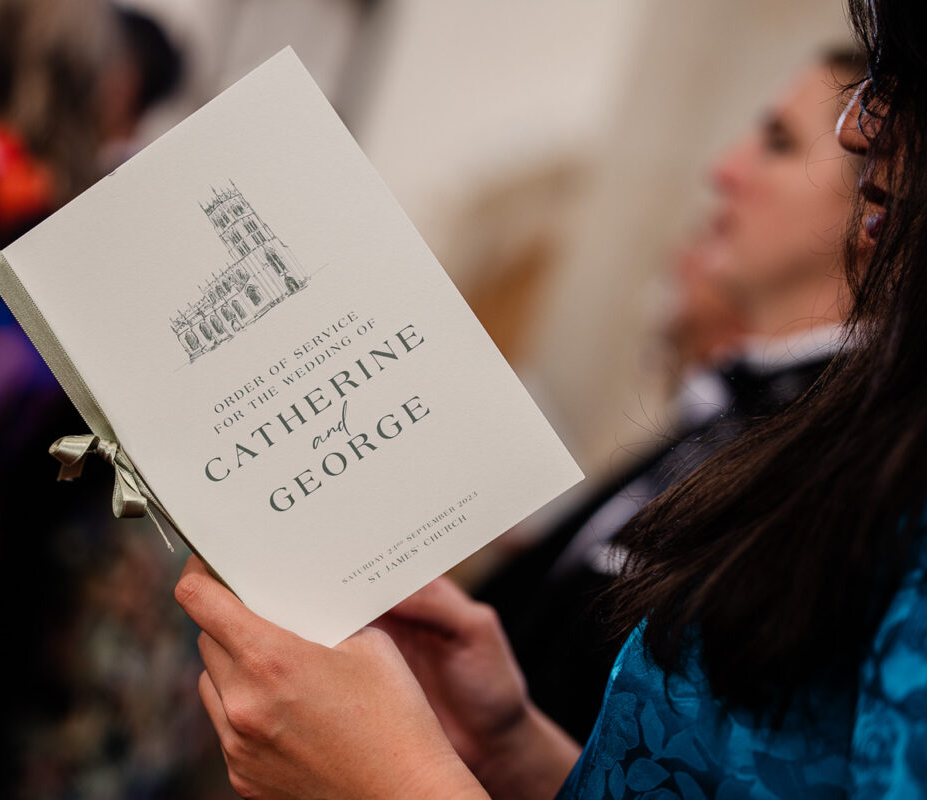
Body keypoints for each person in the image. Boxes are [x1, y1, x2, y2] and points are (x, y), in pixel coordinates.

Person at [173, 0, 927, 796]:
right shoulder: (860, 431)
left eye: (907, 79)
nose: (861, 124)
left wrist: (393, 780)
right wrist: (514, 750)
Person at [478, 49, 865, 743]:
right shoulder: (739, 409)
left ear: (882, 207)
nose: (724, 171)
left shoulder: (839, 458)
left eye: (779, 143)